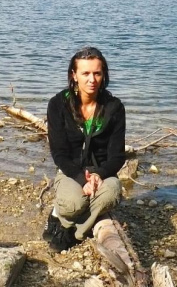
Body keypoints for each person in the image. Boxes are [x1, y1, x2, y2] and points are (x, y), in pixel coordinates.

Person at [43, 46, 126, 252]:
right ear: (74, 75)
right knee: (72, 204)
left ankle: (72, 232)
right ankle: (57, 214)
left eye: (97, 73)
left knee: (111, 195)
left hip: (103, 173)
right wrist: (82, 179)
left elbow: (117, 156)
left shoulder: (114, 107)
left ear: (103, 74)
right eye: (85, 73)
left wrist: (98, 175)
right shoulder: (58, 104)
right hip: (71, 170)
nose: (92, 79)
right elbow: (59, 154)